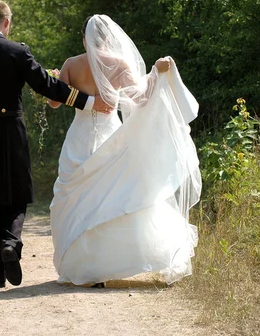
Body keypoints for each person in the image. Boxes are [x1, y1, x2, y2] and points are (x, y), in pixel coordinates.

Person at [0, 1, 111, 289]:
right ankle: (10, 242)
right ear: (7, 23)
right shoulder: (18, 51)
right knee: (17, 193)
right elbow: (48, 85)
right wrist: (89, 101)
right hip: (11, 130)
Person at [48, 15, 202, 287]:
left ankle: (87, 267)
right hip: (111, 137)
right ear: (108, 39)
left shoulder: (71, 64)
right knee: (113, 197)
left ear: (84, 38)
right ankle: (107, 264)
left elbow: (54, 103)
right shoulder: (118, 64)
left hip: (79, 139)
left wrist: (56, 81)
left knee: (77, 199)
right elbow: (140, 98)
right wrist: (156, 74)